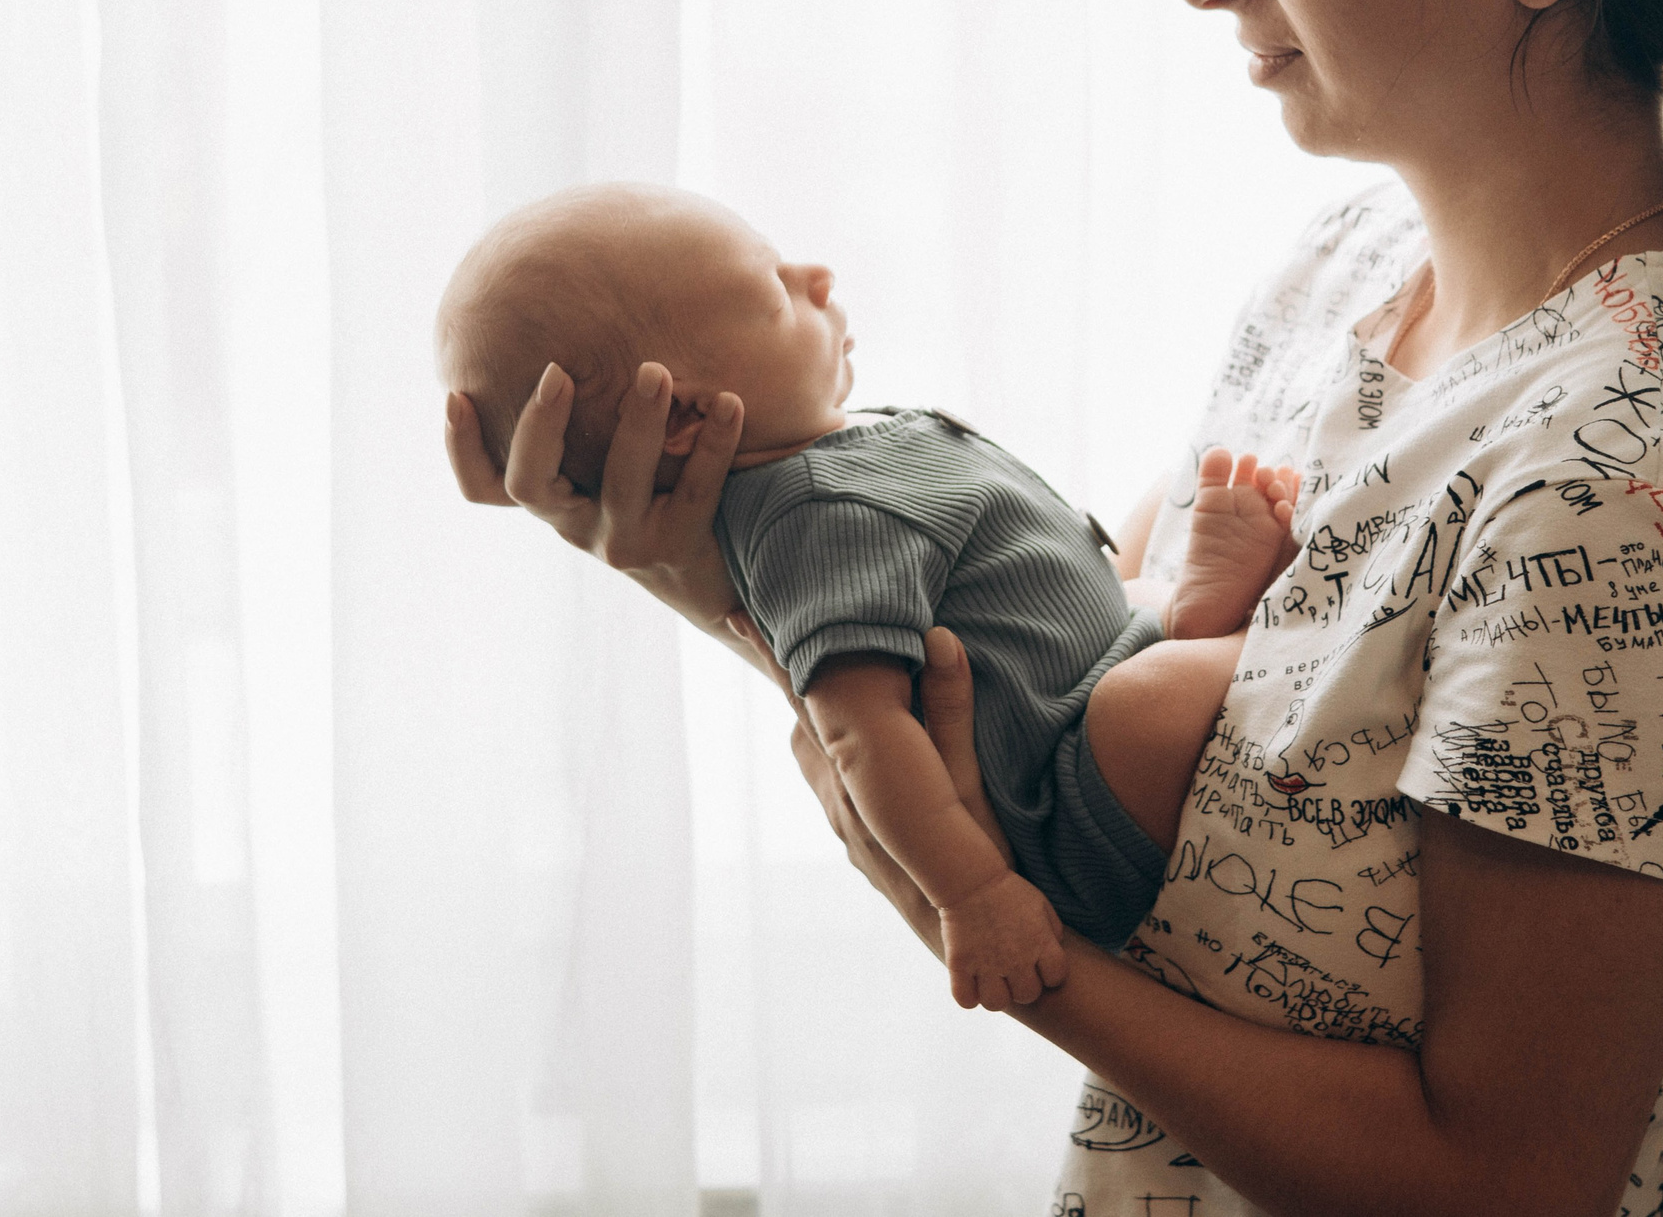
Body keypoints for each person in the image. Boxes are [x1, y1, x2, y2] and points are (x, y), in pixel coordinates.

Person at [449, 0, 1663, 1217]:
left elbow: (1502, 1184)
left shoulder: (1620, 481)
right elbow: (1051, 674)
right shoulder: (1343, 280)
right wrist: (717, 554)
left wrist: (1002, 949)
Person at [434, 182, 1301, 1005]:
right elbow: (859, 731)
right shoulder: (817, 518)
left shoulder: (844, 455)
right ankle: (1226, 635)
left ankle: (1186, 614)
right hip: (1064, 803)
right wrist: (974, 893)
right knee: (1150, 700)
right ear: (692, 416)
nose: (817, 277)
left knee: (1137, 612)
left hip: (1084, 686)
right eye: (774, 292)